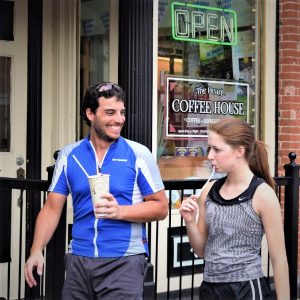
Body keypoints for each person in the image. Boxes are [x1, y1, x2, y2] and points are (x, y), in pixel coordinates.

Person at [24, 81, 168, 299]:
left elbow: (161, 207)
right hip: (78, 260)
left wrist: (120, 211)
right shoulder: (69, 155)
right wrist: (36, 250)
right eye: (110, 112)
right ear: (90, 114)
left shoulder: (138, 154)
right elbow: (52, 209)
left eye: (122, 112)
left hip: (124, 261)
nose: (119, 119)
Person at [179, 117, 289, 300]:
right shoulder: (209, 190)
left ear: (239, 151)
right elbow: (201, 251)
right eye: (209, 148)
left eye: (216, 149)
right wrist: (190, 221)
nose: (209, 156)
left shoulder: (263, 195)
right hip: (209, 288)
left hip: (246, 289)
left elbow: (279, 260)